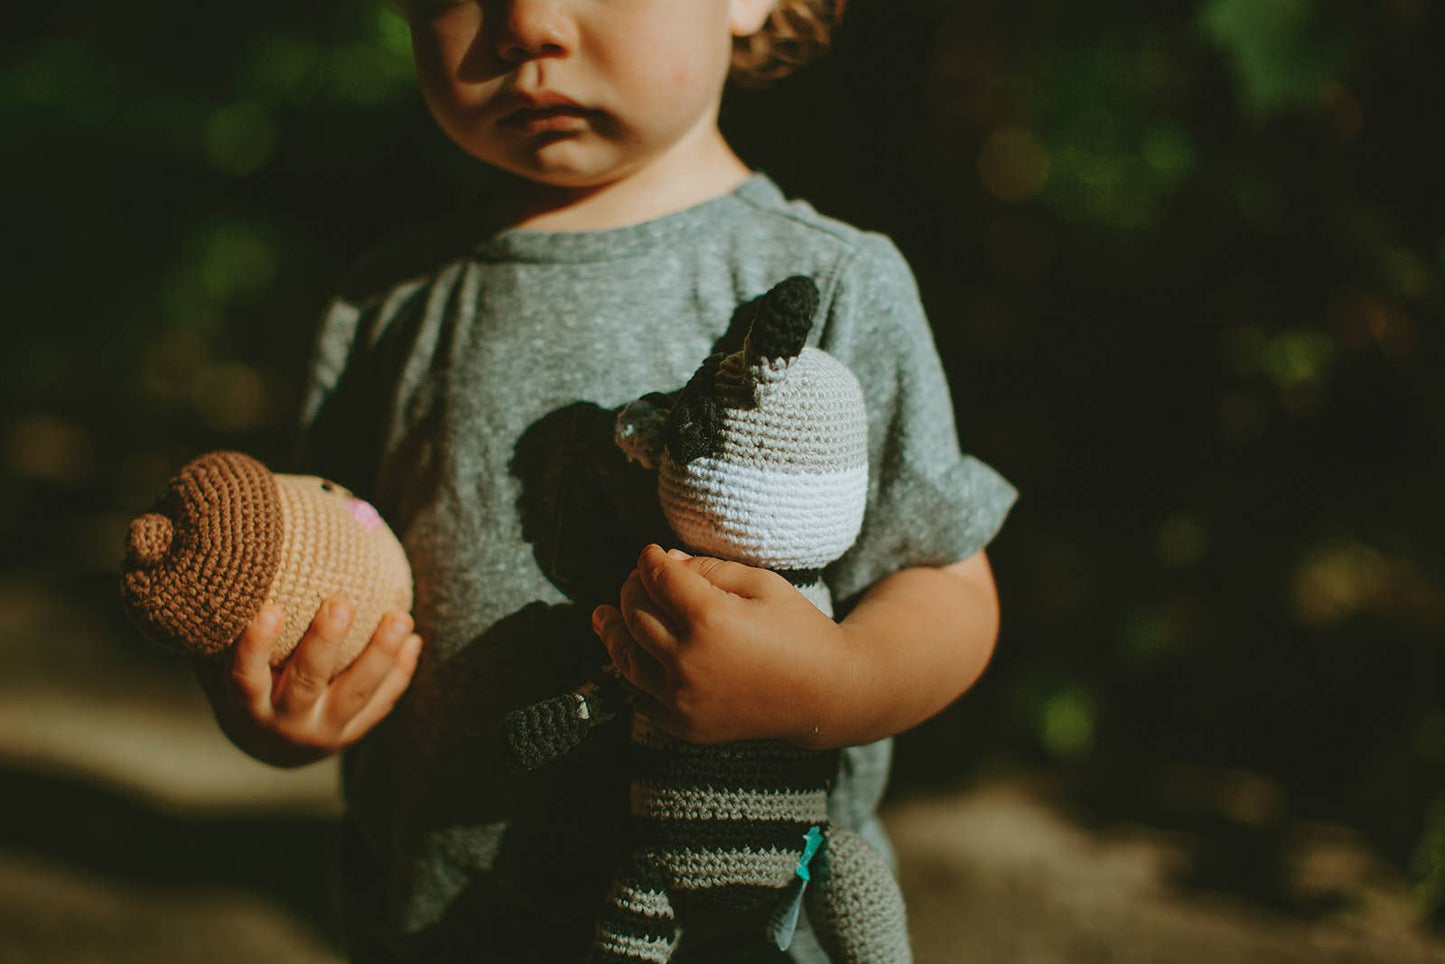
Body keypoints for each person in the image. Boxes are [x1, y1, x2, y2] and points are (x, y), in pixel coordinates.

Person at [193, 1, 1017, 960]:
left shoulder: (823, 279)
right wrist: (281, 709)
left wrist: (834, 682)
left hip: (738, 927)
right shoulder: (387, 302)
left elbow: (948, 581)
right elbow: (325, 566)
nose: (527, 26)